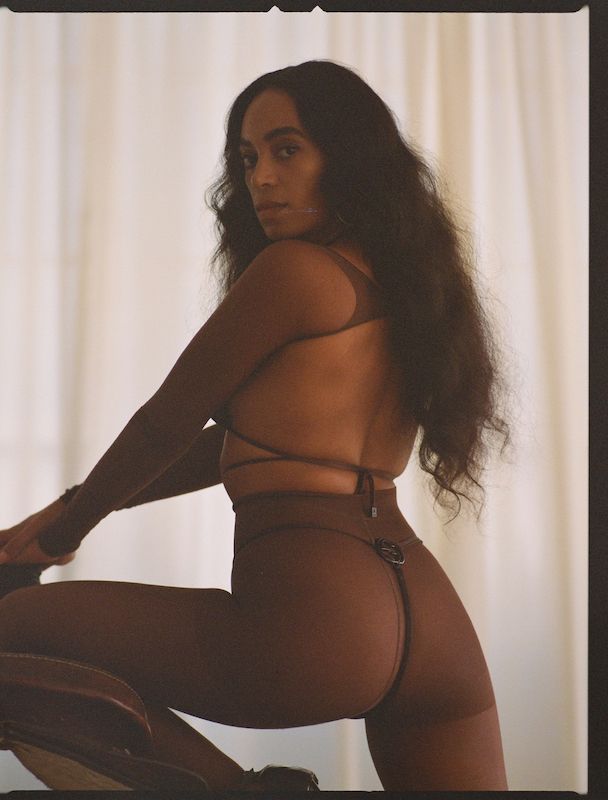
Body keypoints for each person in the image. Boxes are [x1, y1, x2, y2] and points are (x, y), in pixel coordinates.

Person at [0, 60, 510, 791]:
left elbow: (164, 426)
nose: (262, 178)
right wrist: (62, 511)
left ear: (348, 156)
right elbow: (221, 446)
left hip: (319, 617)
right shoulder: (408, 289)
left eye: (287, 149)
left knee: (13, 633)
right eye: (247, 159)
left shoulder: (293, 271)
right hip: (432, 630)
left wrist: (63, 534)